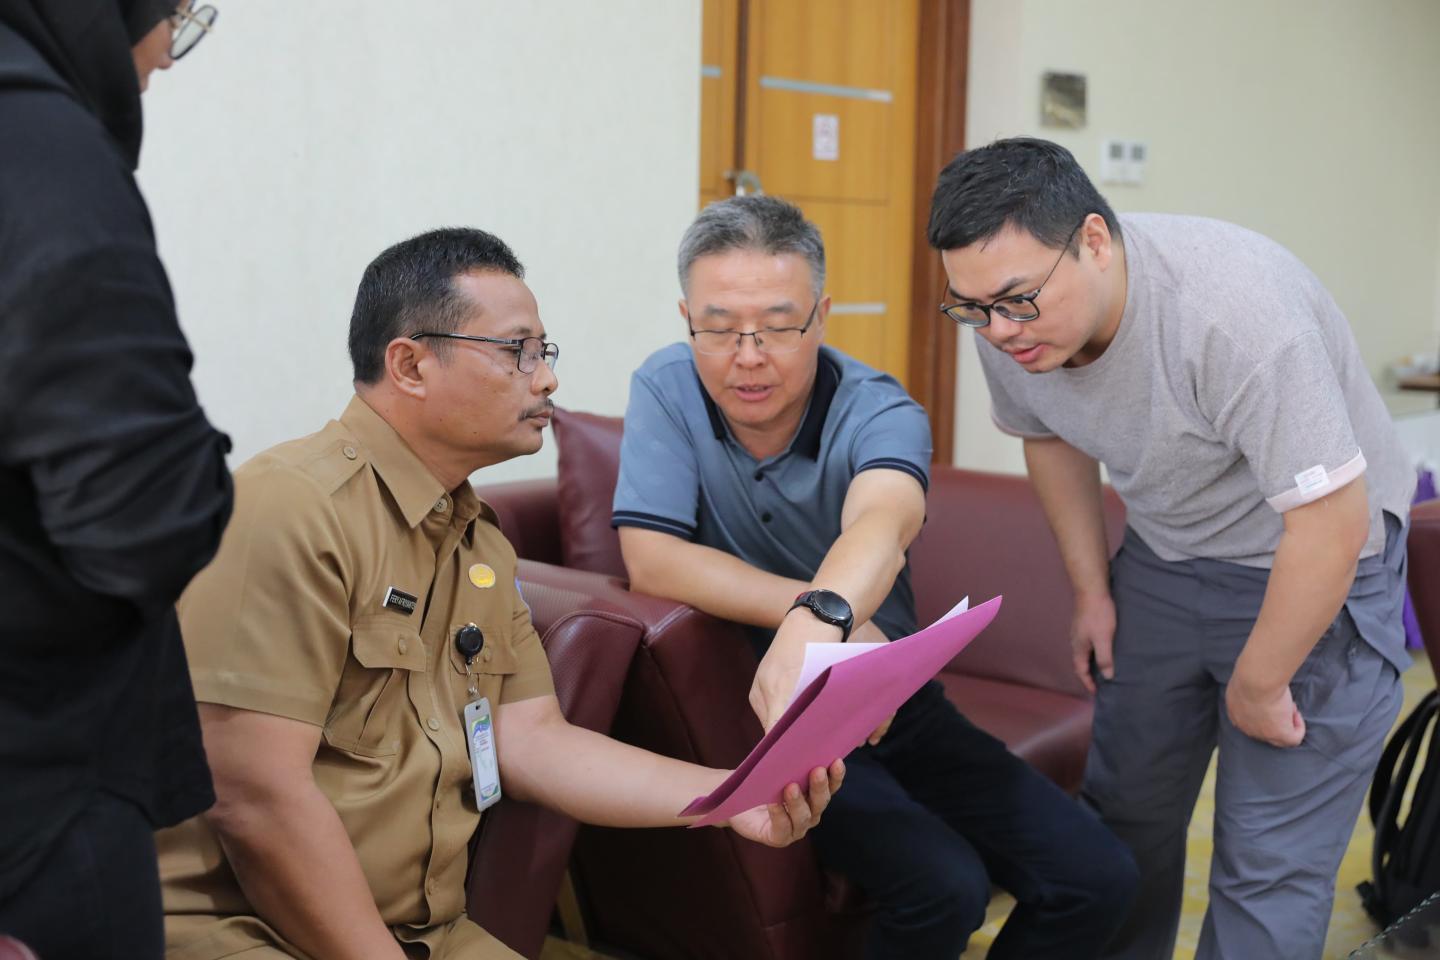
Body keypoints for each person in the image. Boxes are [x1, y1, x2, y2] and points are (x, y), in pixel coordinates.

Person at [156, 227, 843, 960]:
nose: (546, 380)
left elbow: (534, 739)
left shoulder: (476, 542)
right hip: (242, 930)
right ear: (410, 364)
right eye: (517, 351)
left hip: (422, 933)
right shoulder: (289, 509)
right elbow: (254, 797)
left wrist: (731, 796)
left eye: (544, 352)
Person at [612, 195, 1137, 960]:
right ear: (687, 317)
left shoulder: (880, 408)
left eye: (779, 326)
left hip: (891, 695)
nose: (747, 356)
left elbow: (882, 525)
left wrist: (828, 621)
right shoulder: (666, 386)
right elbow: (651, 559)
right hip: (766, 711)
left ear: (822, 317)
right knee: (944, 887)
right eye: (718, 328)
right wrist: (830, 617)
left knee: (1098, 877)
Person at [927, 136, 1415, 960]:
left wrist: (1260, 682)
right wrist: (1092, 590)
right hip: (1165, 555)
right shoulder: (1005, 316)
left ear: (1094, 240)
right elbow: (1048, 436)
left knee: (1267, 865)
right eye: (971, 307)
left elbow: (1332, 524)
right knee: (1123, 825)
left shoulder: (1236, 315)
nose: (999, 331)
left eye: (1016, 301)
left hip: (1314, 565)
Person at [0, 3, 230, 958]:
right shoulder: (41, 155)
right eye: (172, 14)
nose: (167, 54)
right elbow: (148, 519)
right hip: (38, 788)